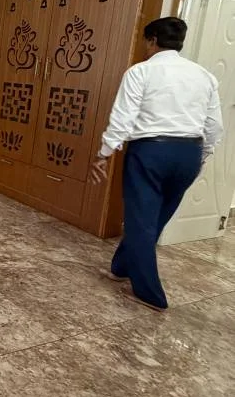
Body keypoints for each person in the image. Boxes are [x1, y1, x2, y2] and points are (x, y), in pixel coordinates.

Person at [89, 16, 223, 312]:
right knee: (155, 218)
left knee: (141, 221)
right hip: (189, 152)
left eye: (145, 42)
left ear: (151, 40)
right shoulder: (204, 75)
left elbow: (123, 117)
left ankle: (149, 293)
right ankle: (121, 267)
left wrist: (104, 153)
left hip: (150, 152)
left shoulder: (141, 71)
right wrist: (202, 155)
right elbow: (214, 125)